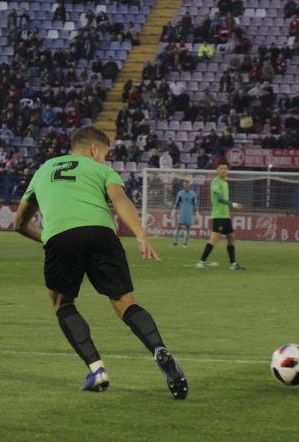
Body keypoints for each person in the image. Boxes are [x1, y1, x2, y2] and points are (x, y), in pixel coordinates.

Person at [13, 126, 187, 399]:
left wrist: (48, 238)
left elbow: (19, 223)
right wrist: (140, 234)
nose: (105, 160)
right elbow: (119, 198)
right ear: (94, 149)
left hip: (61, 237)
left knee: (63, 304)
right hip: (102, 233)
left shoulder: (44, 169)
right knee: (125, 304)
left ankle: (96, 369)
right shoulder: (101, 171)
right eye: (105, 154)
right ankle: (158, 349)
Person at [197, 163, 245, 270]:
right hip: (219, 216)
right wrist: (233, 204)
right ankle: (201, 262)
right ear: (217, 170)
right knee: (214, 239)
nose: (223, 170)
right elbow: (218, 198)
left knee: (231, 238)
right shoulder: (216, 182)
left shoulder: (225, 183)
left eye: (225, 168)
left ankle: (233, 264)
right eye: (221, 168)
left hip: (225, 215)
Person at [172, 179, 198, 247]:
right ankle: (175, 242)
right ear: (183, 184)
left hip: (189, 211)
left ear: (190, 184)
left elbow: (195, 204)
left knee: (188, 227)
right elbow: (177, 202)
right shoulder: (180, 193)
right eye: (185, 183)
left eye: (187, 183)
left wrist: (197, 212)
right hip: (182, 211)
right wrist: (173, 210)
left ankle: (185, 243)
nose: (186, 185)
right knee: (179, 226)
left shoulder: (193, 194)